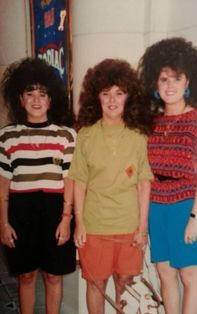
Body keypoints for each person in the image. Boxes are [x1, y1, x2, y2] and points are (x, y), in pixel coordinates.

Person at [138, 37, 197, 314]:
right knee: (166, 275)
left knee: (189, 277)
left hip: (189, 205)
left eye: (176, 78)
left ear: (188, 82)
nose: (170, 85)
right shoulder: (151, 122)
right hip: (157, 206)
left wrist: (194, 217)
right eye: (163, 79)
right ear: (155, 84)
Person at [68, 59, 153, 314]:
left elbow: (143, 184)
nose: (112, 100)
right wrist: (79, 223)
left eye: (119, 93)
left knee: (126, 286)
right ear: (97, 97)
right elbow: (79, 181)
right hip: (94, 226)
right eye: (106, 94)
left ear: (129, 97)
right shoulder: (85, 135)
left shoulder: (139, 136)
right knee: (95, 285)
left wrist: (142, 228)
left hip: (128, 227)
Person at [0, 57, 76, 314]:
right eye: (29, 93)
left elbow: (70, 182)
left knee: (54, 276)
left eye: (42, 94)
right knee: (26, 276)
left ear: (51, 99)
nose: (36, 100)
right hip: (20, 213)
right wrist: (3, 223)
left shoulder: (66, 135)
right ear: (20, 98)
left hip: (55, 211)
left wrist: (67, 219)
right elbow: (3, 186)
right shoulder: (7, 136)